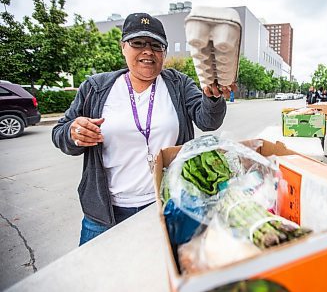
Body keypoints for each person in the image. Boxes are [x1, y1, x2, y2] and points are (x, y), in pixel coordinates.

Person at [52, 13, 233, 245]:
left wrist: (213, 98)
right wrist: (72, 133)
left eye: (156, 45)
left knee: (157, 276)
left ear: (164, 53)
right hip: (104, 215)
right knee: (95, 277)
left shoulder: (178, 84)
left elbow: (208, 121)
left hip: (165, 205)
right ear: (123, 48)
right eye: (138, 43)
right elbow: (60, 132)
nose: (148, 51)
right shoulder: (96, 87)